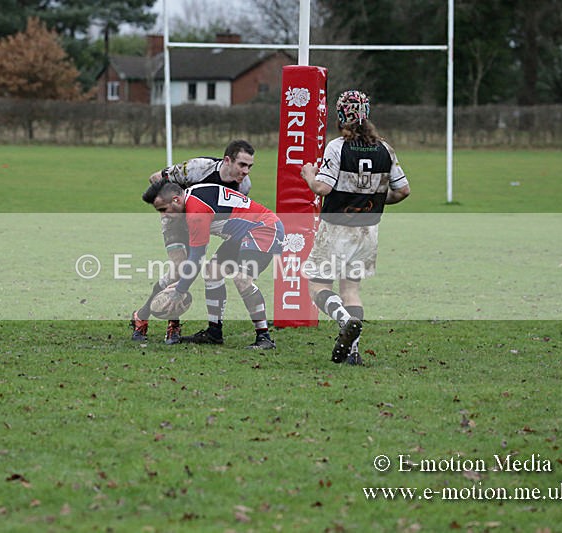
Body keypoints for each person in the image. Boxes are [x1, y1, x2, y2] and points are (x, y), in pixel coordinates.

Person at [300, 89, 410, 365]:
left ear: (340, 117)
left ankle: (344, 321)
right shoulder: (385, 149)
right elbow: (402, 191)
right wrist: (373, 197)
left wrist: (309, 175)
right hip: (368, 231)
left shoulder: (337, 147)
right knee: (351, 290)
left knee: (317, 286)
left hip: (337, 228)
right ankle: (353, 353)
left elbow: (323, 188)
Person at [130, 140, 255, 344]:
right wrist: (172, 209)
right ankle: (157, 320)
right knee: (179, 268)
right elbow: (155, 178)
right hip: (175, 219)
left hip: (200, 223)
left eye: (249, 166)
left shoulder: (244, 185)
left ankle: (148, 316)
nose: (246, 171)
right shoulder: (198, 168)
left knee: (194, 269)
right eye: (242, 165)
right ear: (228, 160)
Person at [142, 180, 283, 349]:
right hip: (241, 234)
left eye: (164, 210)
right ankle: (214, 332)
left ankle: (264, 337)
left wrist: (180, 291)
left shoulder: (196, 213)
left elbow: (196, 258)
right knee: (212, 272)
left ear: (176, 200)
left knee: (242, 279)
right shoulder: (192, 196)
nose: (163, 216)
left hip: (265, 229)